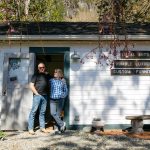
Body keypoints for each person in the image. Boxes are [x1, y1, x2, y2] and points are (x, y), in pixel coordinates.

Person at [28, 62, 51, 135]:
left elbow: (54, 79)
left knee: (42, 112)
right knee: (33, 112)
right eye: (40, 68)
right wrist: (36, 94)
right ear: (38, 69)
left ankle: (42, 128)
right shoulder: (35, 75)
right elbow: (31, 85)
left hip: (45, 96)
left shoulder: (47, 75)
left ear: (45, 68)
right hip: (37, 96)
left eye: (43, 67)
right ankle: (30, 129)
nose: (42, 69)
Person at [49, 69, 68, 133]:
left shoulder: (63, 81)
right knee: (53, 113)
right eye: (54, 72)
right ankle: (62, 124)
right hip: (52, 99)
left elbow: (65, 90)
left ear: (59, 74)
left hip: (60, 99)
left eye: (56, 72)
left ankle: (57, 129)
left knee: (58, 114)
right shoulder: (51, 80)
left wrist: (63, 96)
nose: (54, 73)